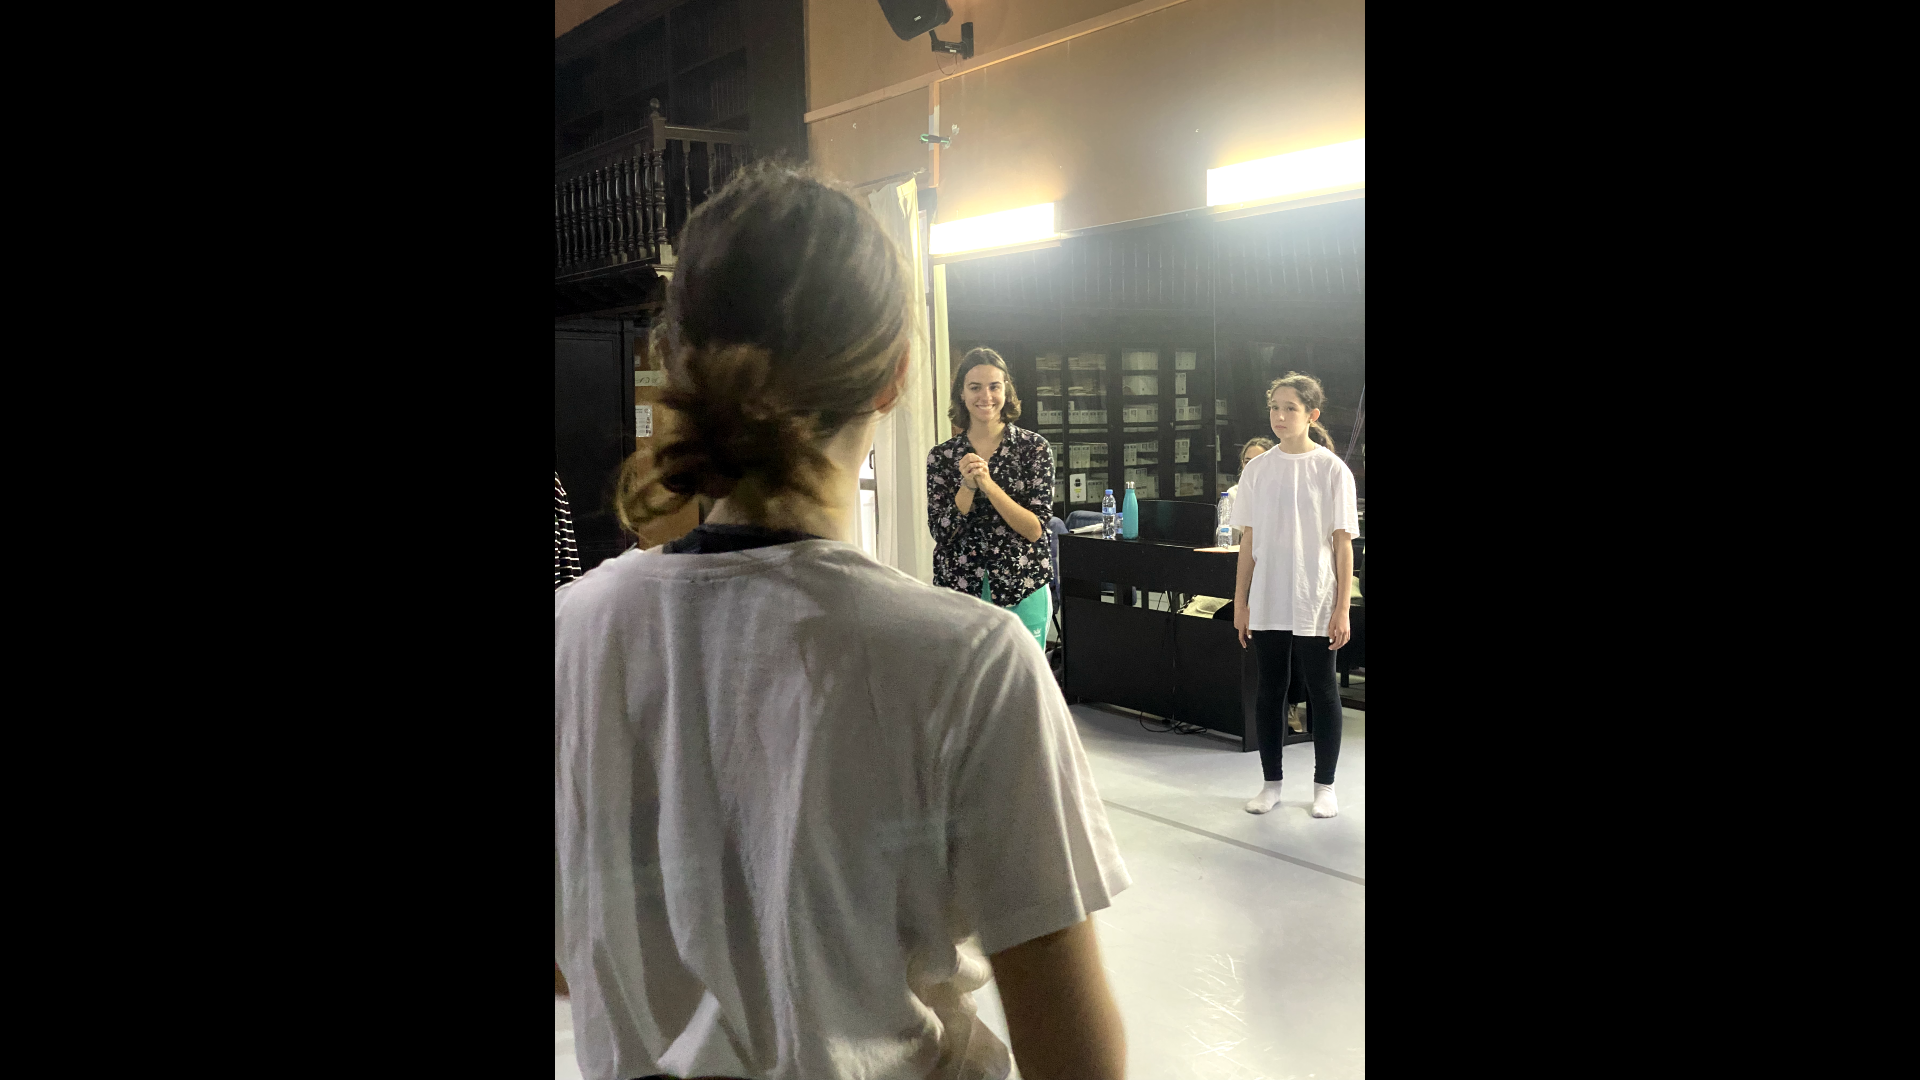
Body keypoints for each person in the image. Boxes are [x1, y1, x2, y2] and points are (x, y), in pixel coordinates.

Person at [554, 164, 1129, 1080]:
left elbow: (571, 959)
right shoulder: (970, 662)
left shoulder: (573, 631)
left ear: (678, 358)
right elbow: (1076, 1056)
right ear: (897, 374)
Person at [1229, 372, 1358, 818]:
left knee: (1322, 689)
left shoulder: (1332, 469)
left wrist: (1342, 608)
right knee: (1271, 689)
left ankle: (1325, 786)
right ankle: (1271, 783)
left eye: (1290, 408)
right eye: (1275, 408)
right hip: (1269, 596)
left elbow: (1343, 544)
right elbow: (1248, 540)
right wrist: (1241, 601)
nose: (1280, 416)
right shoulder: (1257, 470)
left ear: (1311, 414)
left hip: (1315, 597)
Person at [927, 348, 1056, 652]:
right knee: (964, 678)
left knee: (1023, 678)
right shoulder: (942, 456)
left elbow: (1034, 529)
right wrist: (967, 487)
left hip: (1023, 586)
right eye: (975, 387)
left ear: (1006, 391)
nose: (985, 396)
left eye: (994, 386)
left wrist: (988, 484)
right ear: (961, 394)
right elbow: (941, 532)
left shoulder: (1034, 449)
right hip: (960, 590)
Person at [1216, 437, 1275, 547]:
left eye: (1258, 461)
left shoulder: (1279, 492)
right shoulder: (1233, 494)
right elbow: (1226, 534)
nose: (1251, 466)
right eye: (1247, 462)